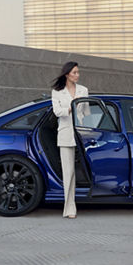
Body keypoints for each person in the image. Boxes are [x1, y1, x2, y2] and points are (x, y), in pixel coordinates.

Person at [51, 61, 88, 218]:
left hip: (81, 134)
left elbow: (86, 113)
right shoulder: (57, 91)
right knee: (69, 172)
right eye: (74, 72)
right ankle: (69, 208)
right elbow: (57, 112)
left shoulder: (84, 90)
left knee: (84, 168)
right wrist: (71, 107)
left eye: (78, 72)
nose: (77, 75)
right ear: (67, 74)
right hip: (65, 133)